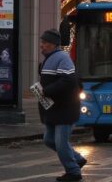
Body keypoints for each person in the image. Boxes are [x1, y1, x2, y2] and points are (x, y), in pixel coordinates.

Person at [38, 28, 86, 182]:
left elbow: (68, 81)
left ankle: (73, 171)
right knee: (48, 140)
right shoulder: (48, 58)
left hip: (65, 108)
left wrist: (46, 91)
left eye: (45, 43)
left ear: (53, 44)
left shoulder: (62, 58)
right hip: (54, 109)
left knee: (60, 142)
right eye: (42, 42)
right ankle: (77, 159)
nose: (42, 45)